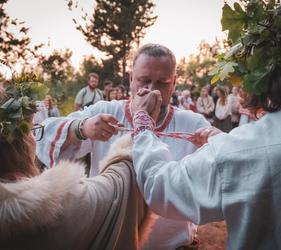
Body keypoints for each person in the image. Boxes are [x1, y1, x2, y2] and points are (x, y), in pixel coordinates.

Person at [36, 43, 211, 250]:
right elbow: (43, 132)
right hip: (110, 240)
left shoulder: (193, 124)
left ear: (173, 83)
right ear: (131, 79)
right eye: (144, 80)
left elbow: (218, 178)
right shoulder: (106, 111)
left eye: (162, 83)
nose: (152, 90)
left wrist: (215, 142)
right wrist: (82, 128)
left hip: (173, 245)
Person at [130, 45, 281, 250]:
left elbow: (162, 188)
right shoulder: (240, 146)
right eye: (143, 80)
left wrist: (142, 125)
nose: (152, 89)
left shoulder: (244, 147)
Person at [0, 85, 147, 250]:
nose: (34, 138)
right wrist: (143, 122)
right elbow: (120, 187)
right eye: (30, 131)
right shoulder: (56, 207)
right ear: (18, 141)